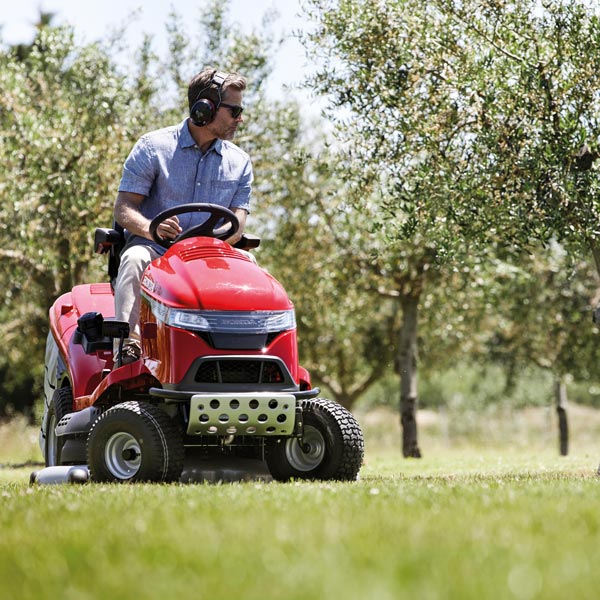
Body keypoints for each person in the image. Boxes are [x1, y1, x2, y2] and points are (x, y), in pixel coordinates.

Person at [112, 67, 253, 364]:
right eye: (235, 110)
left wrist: (229, 236)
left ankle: (249, 354)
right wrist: (151, 227)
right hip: (156, 252)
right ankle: (128, 347)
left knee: (252, 267)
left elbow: (237, 224)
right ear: (205, 108)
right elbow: (123, 209)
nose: (240, 119)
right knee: (134, 258)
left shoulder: (240, 163)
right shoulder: (152, 148)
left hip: (211, 258)